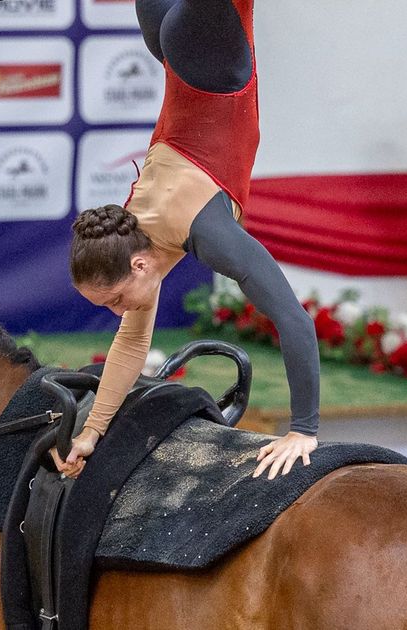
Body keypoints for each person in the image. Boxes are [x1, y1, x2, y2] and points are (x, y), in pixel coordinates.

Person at [59, 0, 319, 481]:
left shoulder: (205, 230)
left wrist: (303, 429)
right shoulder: (129, 230)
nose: (120, 313)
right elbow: (130, 347)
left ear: (138, 267)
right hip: (170, 41)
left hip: (209, 62)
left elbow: (294, 319)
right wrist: (90, 433)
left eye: (115, 300)